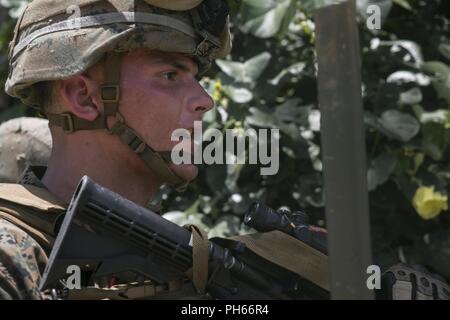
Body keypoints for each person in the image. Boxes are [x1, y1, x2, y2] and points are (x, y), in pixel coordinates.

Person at [0, 0, 448, 300]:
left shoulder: (188, 267)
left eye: (196, 76)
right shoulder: (14, 258)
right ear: (85, 97)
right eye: (170, 75)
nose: (205, 100)